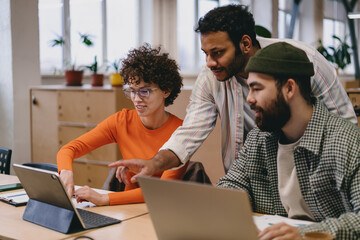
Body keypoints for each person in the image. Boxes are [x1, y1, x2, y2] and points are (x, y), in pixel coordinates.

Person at [109, 4, 357, 184]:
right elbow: (191, 132)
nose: (209, 62)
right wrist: (154, 163)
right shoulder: (211, 79)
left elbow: (344, 123)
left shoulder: (304, 61)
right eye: (205, 53)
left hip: (310, 175)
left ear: (246, 44)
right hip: (248, 179)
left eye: (217, 53)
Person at [217, 42, 360, 239]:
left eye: (256, 89)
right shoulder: (260, 137)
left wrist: (303, 233)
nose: (249, 99)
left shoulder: (345, 141)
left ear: (289, 88)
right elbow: (233, 184)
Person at [57, 44, 188, 206]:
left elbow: (161, 190)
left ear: (166, 90)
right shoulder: (121, 121)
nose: (137, 99)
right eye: (132, 91)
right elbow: (68, 149)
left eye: (144, 91)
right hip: (126, 209)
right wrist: (66, 172)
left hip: (162, 211)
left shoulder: (181, 132)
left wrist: (105, 198)